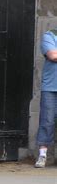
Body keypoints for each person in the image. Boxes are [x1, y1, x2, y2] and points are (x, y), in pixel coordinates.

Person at [35, 29, 57, 168]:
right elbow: (53, 55)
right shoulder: (50, 35)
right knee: (47, 121)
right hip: (50, 88)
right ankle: (42, 155)